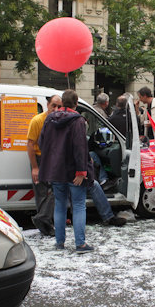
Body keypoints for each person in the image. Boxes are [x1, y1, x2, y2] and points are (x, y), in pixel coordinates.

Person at [38, 90, 93, 253]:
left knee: (60, 206)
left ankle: (59, 242)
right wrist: (82, 171)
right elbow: (80, 147)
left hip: (56, 170)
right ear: (76, 103)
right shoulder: (78, 121)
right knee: (78, 205)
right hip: (74, 171)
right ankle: (80, 244)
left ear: (62, 103)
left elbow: (42, 143)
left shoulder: (49, 118)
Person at [26, 95, 60, 236]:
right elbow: (30, 144)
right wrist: (35, 167)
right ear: (47, 104)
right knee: (41, 193)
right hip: (40, 159)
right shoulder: (37, 120)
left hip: (53, 160)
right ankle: (45, 227)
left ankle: (42, 219)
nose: (56, 109)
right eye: (54, 105)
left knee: (56, 189)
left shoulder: (60, 120)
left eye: (59, 106)